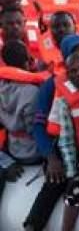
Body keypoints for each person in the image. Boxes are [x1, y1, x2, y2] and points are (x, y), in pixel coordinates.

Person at [15, 49, 79, 231]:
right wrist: (65, 168)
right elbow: (67, 140)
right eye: (73, 71)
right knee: (53, 183)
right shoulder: (62, 101)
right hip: (71, 152)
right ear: (67, 74)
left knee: (75, 185)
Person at [0, 41, 48, 175]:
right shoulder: (32, 92)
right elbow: (34, 129)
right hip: (32, 153)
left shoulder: (1, 85)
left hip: (13, 147)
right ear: (28, 61)